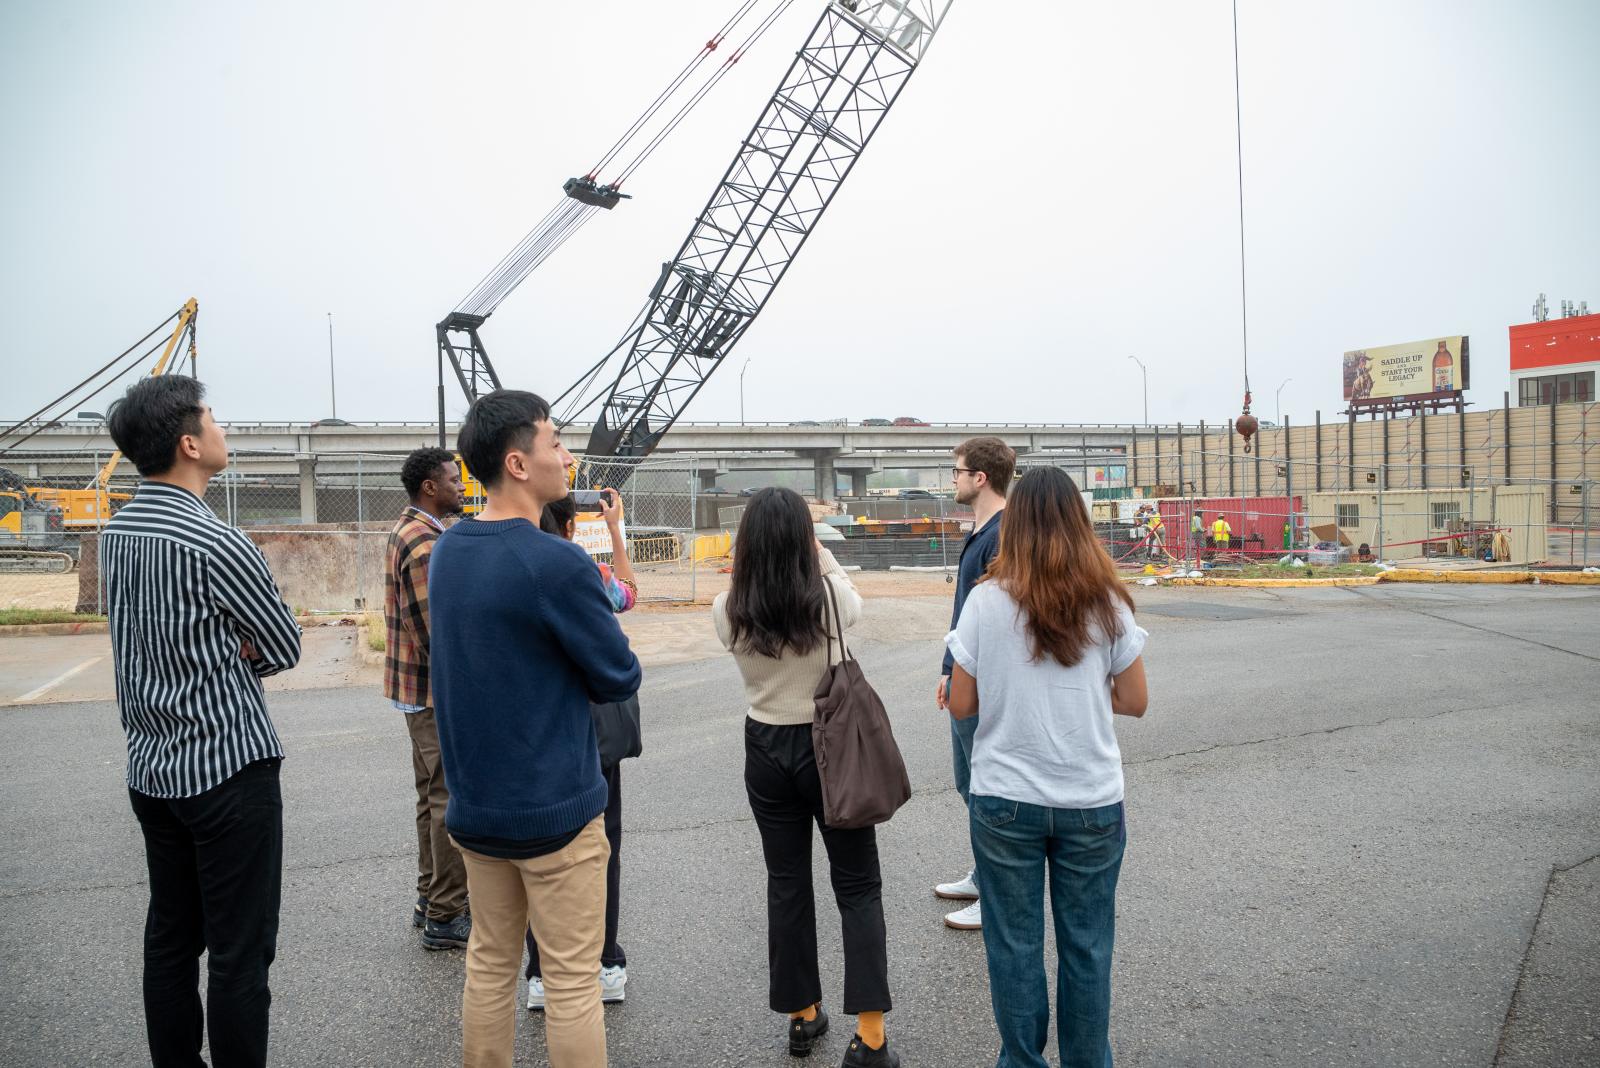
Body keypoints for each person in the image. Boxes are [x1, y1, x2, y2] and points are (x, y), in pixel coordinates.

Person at [428, 390, 642, 1068]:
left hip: (476, 807)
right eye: (556, 442)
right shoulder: (558, 564)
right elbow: (618, 674)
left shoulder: (448, 551)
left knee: (490, 966)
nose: (567, 454)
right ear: (518, 463)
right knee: (573, 982)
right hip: (554, 809)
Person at [101, 375, 303, 1068]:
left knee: (170, 939)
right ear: (190, 443)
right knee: (240, 953)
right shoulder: (217, 542)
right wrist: (233, 650)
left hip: (152, 770)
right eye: (214, 419)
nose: (223, 429)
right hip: (227, 771)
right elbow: (283, 645)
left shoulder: (117, 532)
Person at [944, 467, 1149, 1068]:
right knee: (1087, 949)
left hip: (1005, 798)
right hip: (1090, 800)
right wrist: (1084, 692)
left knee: (1014, 946)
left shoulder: (985, 600)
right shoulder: (1108, 600)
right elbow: (1134, 701)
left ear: (1017, 525)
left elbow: (962, 704)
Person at [713, 488, 898, 1067]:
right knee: (858, 883)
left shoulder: (726, 607)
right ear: (802, 540)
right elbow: (853, 601)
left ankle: (802, 1014)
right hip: (831, 744)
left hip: (765, 745)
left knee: (786, 882)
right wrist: (817, 551)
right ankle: (869, 1035)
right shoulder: (829, 599)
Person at [525, 489, 637, 1011]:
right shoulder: (586, 575)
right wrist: (615, 528)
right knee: (601, 848)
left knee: (536, 850)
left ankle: (541, 973)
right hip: (592, 732)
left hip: (534, 734)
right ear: (571, 529)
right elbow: (630, 596)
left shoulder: (510, 571)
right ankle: (604, 962)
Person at [384, 446, 471, 949]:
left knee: (429, 797)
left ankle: (428, 897)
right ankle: (445, 914)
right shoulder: (425, 544)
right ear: (430, 488)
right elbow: (434, 635)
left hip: (413, 692)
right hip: (433, 694)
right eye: (453, 480)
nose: (461, 488)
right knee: (447, 801)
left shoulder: (411, 529)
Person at [933, 435, 1015, 931]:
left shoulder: (1003, 535)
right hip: (964, 673)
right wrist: (949, 667)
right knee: (968, 782)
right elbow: (964, 614)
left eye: (958, 471)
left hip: (984, 683)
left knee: (986, 786)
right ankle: (985, 873)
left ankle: (997, 892)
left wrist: (963, 674)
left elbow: (993, 621)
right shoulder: (983, 529)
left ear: (980, 478)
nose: (954, 479)